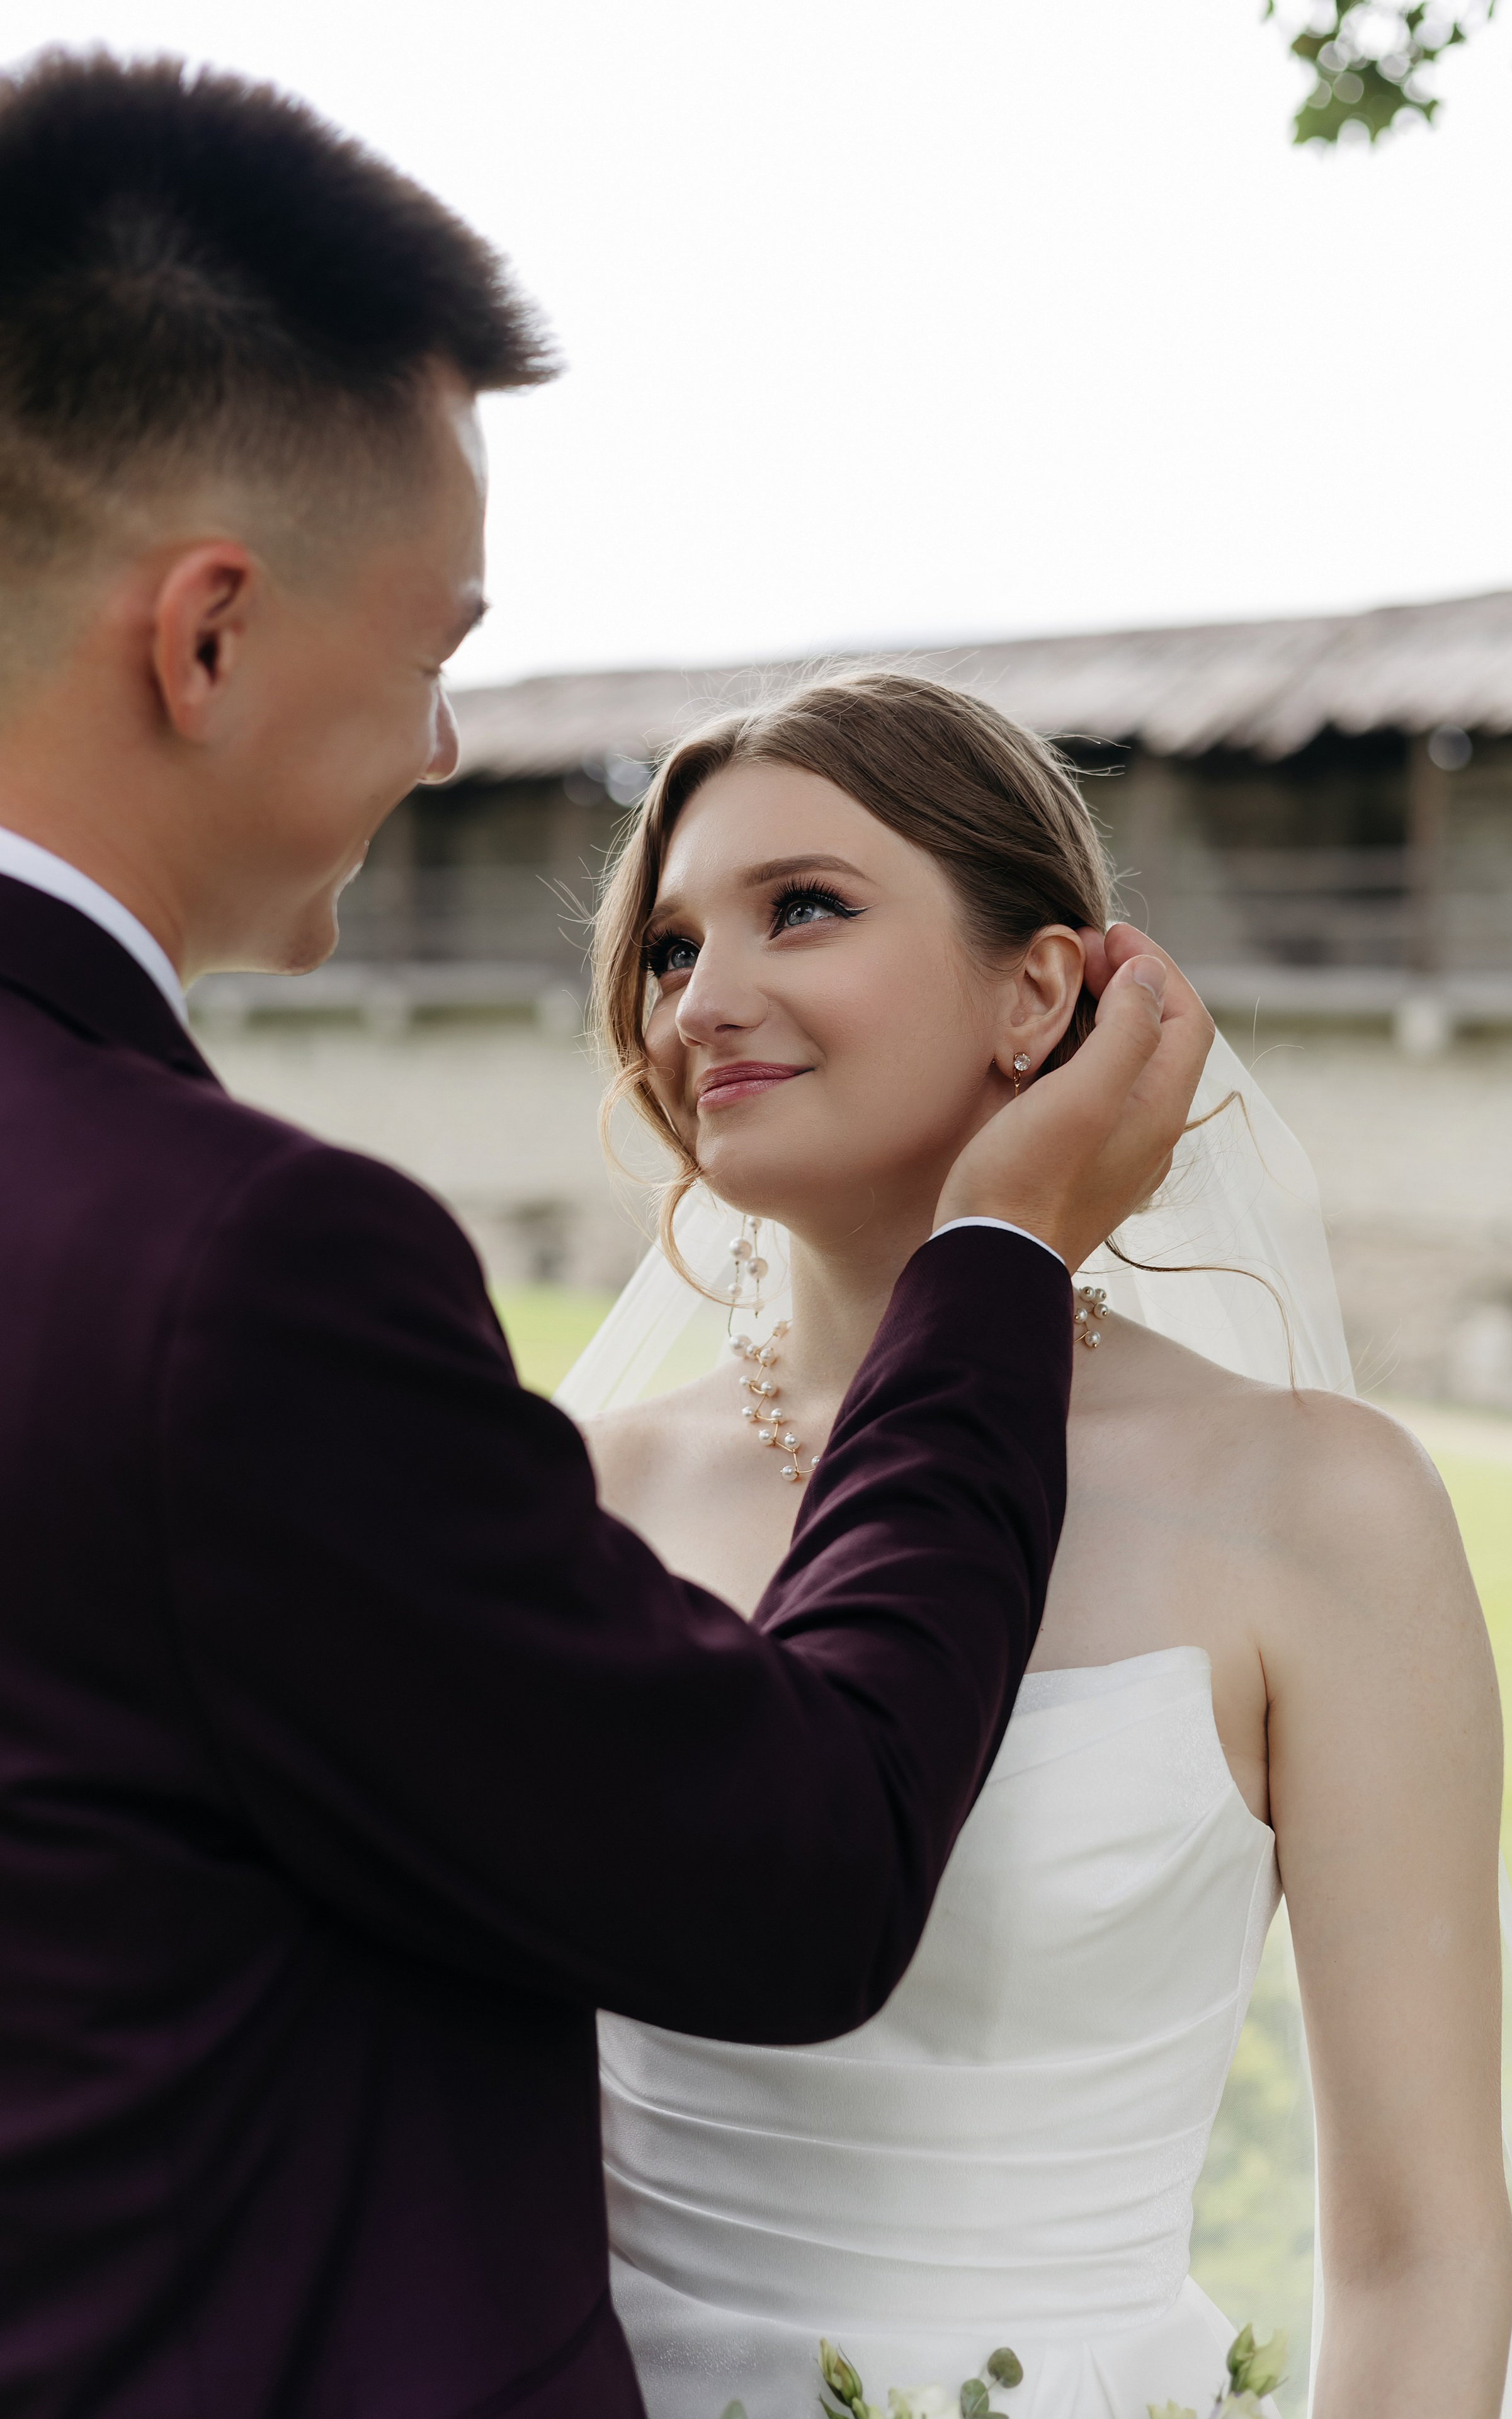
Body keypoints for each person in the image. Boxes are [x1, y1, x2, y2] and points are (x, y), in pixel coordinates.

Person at [0, 55, 1214, 2419]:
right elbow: (798, 1867)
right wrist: (997, 1264)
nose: (445, 744)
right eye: (440, 641)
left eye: (807, 911)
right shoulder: (242, 1268)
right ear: (210, 636)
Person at [577, 669, 1512, 2419]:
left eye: (801, 909)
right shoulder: (581, 1492)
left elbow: (1419, 2243)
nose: (705, 1003)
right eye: (670, 948)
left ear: (1038, 987)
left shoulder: (1315, 1505)